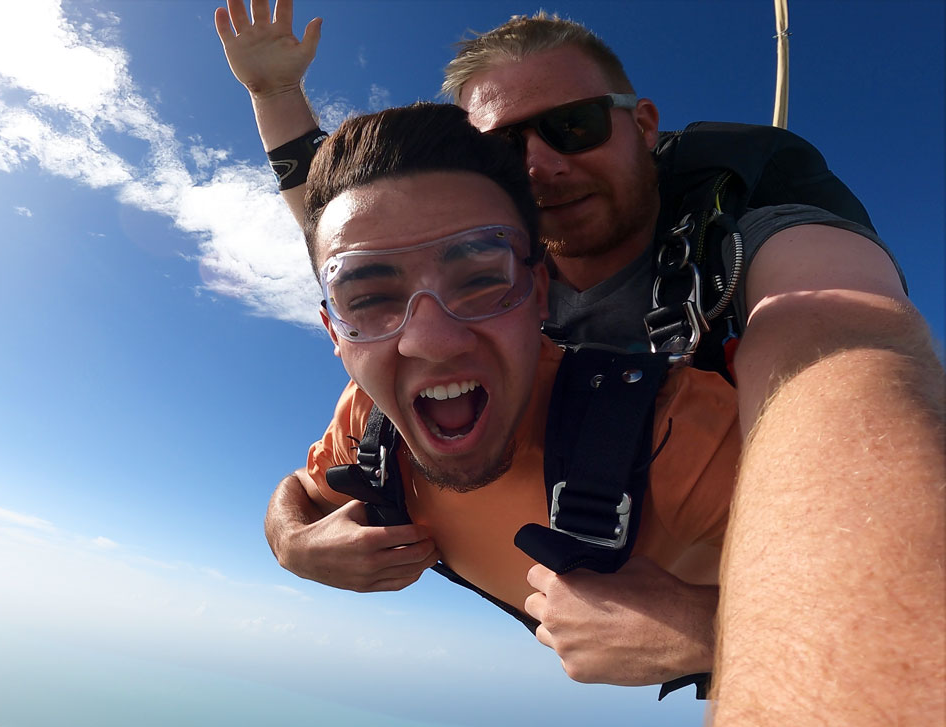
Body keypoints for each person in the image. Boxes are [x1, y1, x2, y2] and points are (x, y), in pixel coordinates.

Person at [217, 4, 946, 727]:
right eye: (502, 150)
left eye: (571, 126)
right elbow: (352, 235)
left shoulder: (752, 233)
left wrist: (707, 630)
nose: (539, 166)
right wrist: (290, 540)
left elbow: (839, 339)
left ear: (641, 125)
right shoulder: (469, 284)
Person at [299, 102, 735, 686]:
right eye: (370, 298)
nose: (432, 343)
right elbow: (301, 490)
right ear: (337, 333)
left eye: (481, 280)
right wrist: (293, 546)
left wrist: (707, 631)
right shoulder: (367, 418)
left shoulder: (675, 433)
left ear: (538, 294)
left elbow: (895, 606)